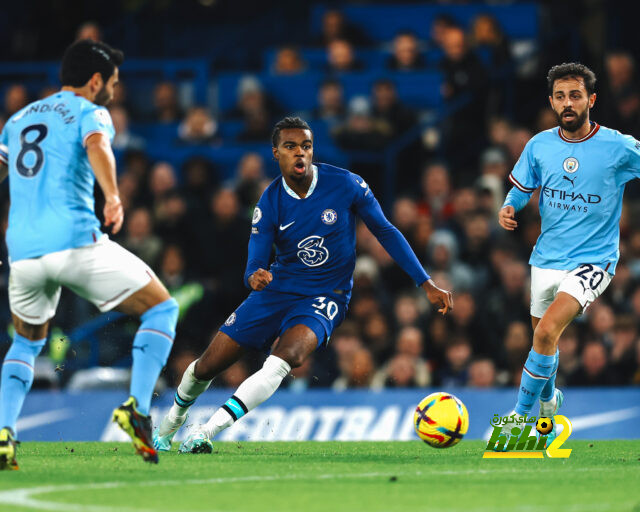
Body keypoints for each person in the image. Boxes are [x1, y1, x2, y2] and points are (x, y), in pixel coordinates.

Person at [153, 116, 453, 453]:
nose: (300, 153)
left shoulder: (347, 185)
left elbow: (385, 231)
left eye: (306, 146)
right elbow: (254, 260)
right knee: (207, 365)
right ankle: (169, 426)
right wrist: (255, 276)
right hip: (277, 290)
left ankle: (206, 432)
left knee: (286, 358)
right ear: (276, 153)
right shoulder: (269, 203)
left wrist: (425, 282)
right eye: (291, 147)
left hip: (326, 295)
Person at [0, 40, 179, 469]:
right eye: (112, 84)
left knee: (25, 343)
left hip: (22, 253)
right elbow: (98, 146)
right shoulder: (89, 111)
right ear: (95, 81)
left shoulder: (19, 118)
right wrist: (114, 196)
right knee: (162, 310)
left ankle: (4, 433)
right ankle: (136, 410)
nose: (114, 93)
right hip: (75, 243)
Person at [497, 62, 640, 446]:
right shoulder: (539, 144)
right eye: (560, 96)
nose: (567, 103)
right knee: (545, 342)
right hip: (545, 258)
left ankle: (519, 420)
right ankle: (549, 406)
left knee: (544, 332)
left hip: (594, 261)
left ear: (591, 99)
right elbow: (521, 187)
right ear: (551, 102)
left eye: (575, 95)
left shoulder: (618, 146)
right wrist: (510, 206)